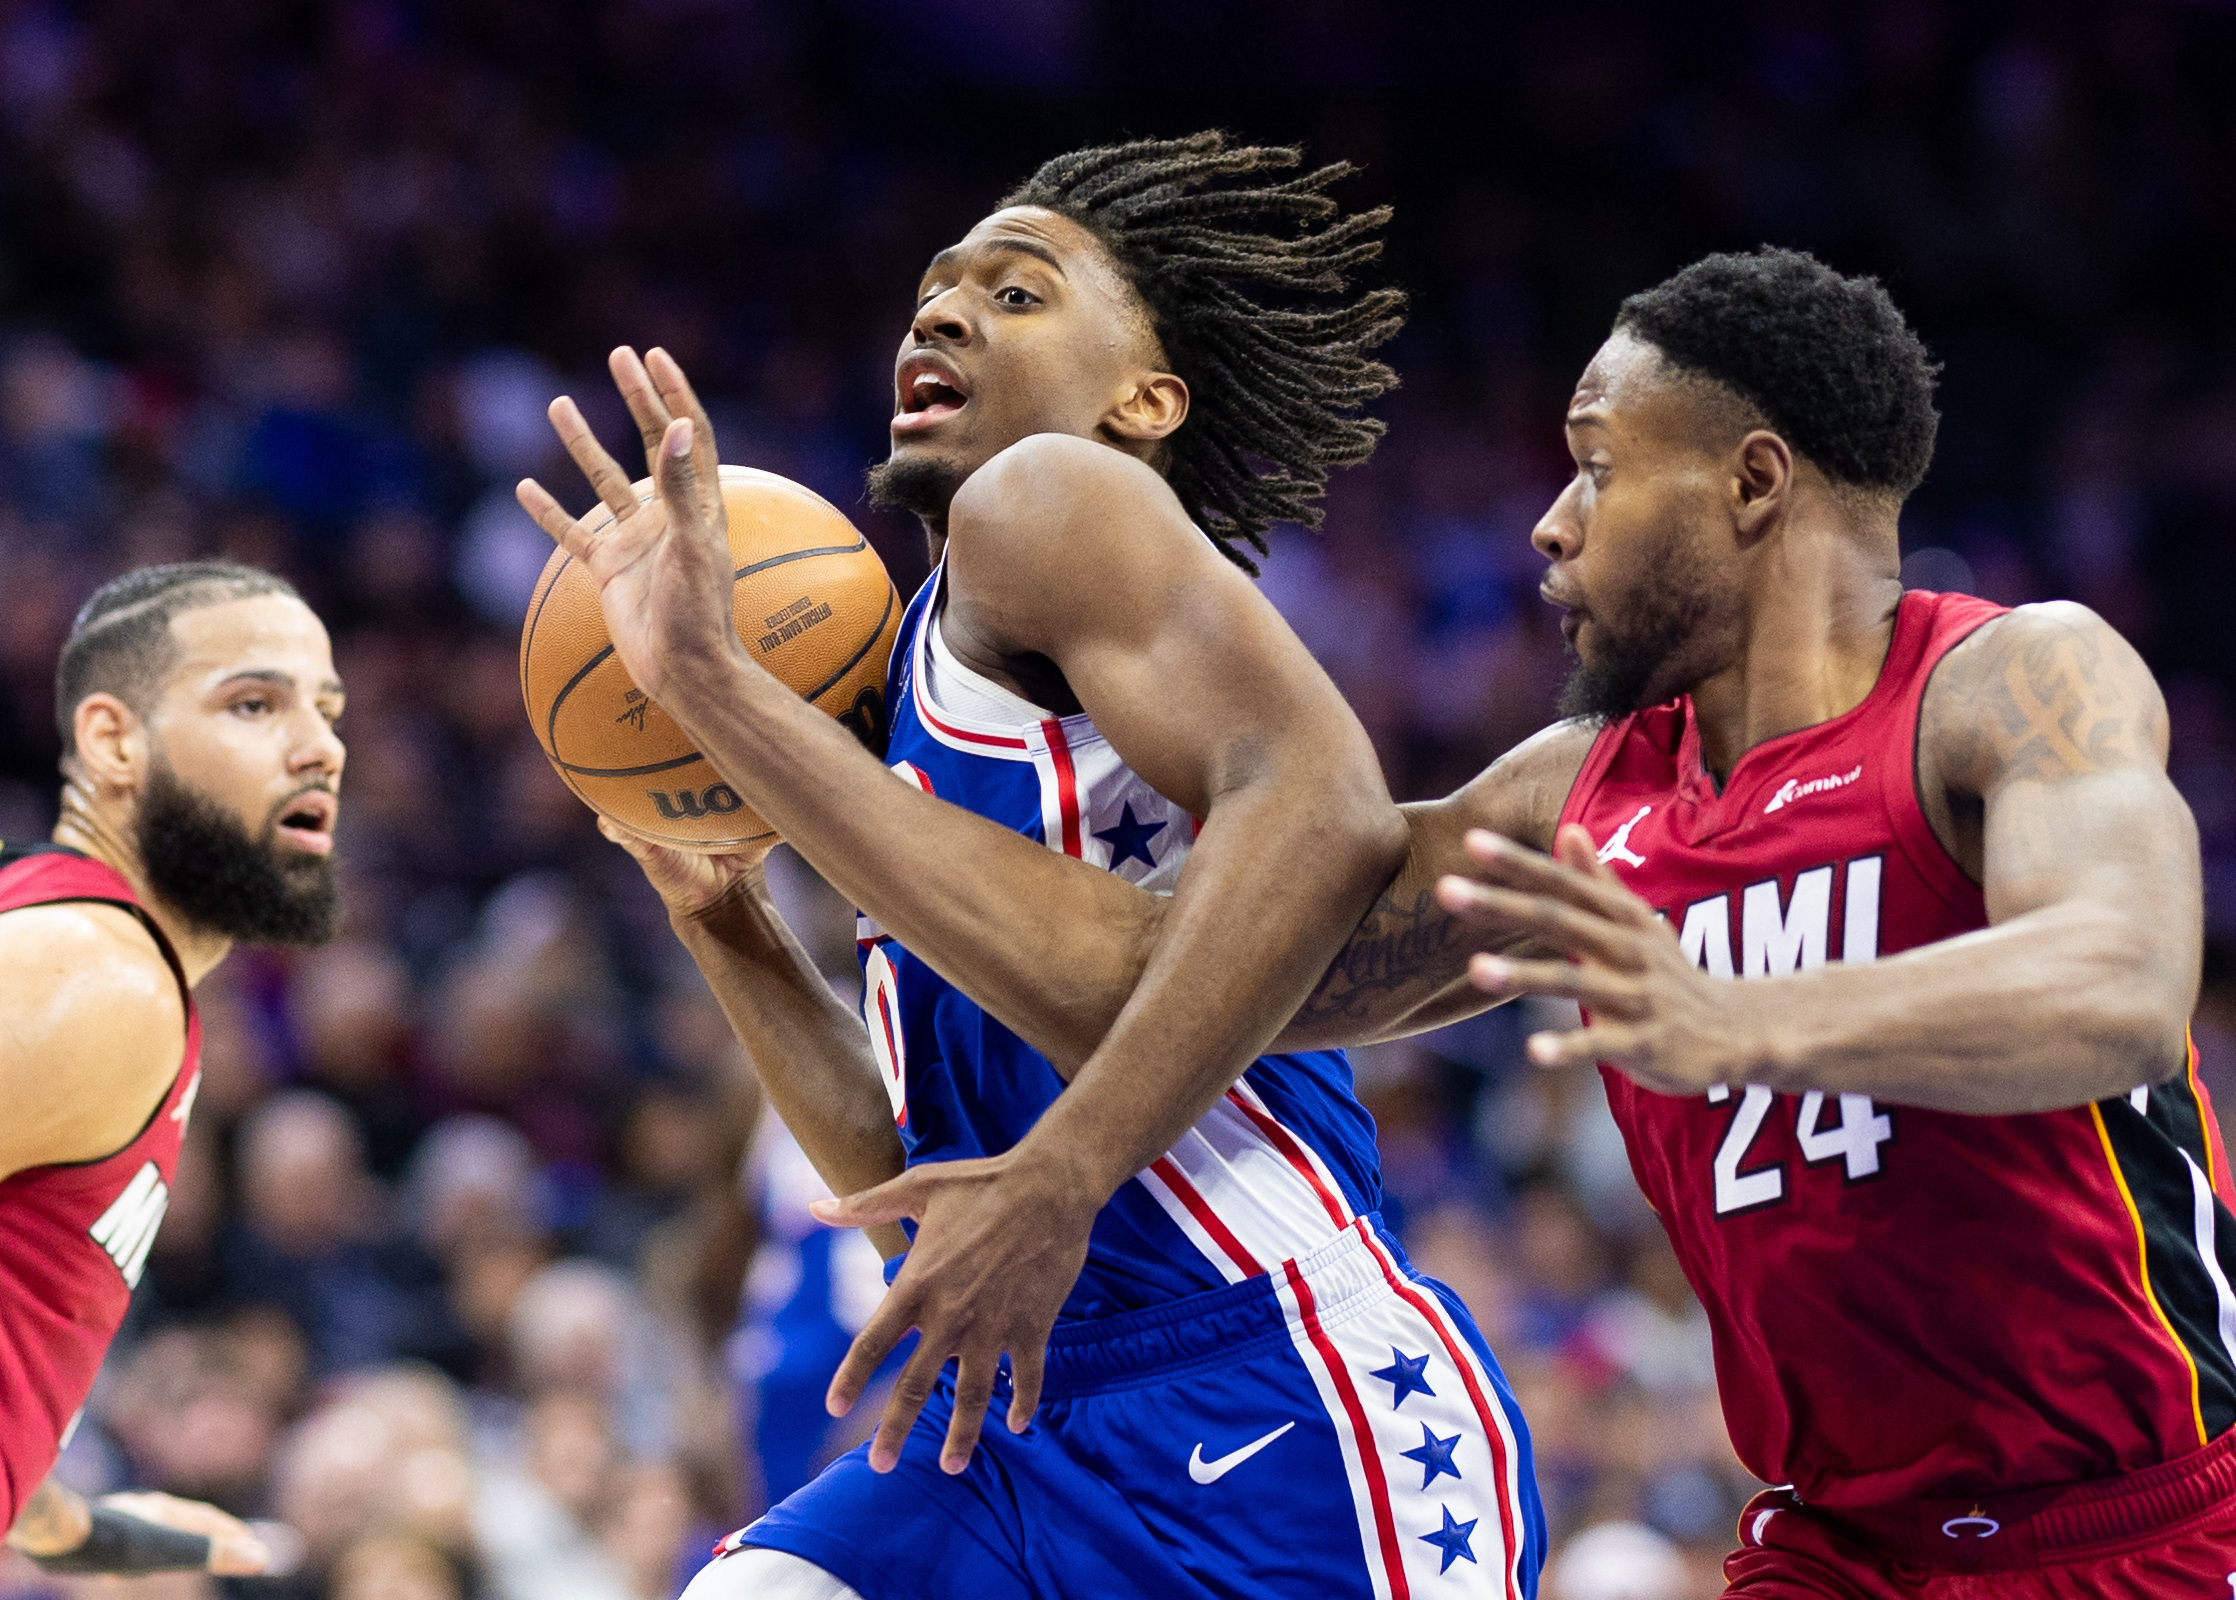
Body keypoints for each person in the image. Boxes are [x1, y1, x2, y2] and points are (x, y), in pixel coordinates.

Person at [890, 247, 2236, 1595]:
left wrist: (1744, 1022)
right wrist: (759, 749)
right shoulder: (1572, 801)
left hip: (2158, 1530)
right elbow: (1165, 984)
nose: (1548, 526)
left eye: (1596, 468)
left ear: (1750, 484)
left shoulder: (1999, 687)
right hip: (1842, 1550)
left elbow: (2121, 981)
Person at [521, 133, 1544, 1600]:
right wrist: (724, 914)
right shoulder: (905, 689)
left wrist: (709, 685)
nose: (940, 315)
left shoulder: (1047, 500)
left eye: (1017, 294)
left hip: (1260, 1386)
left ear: (1145, 400)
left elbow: (1326, 810)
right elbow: (910, 1174)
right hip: (999, 1412)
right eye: (936, 291)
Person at [2, 559, 347, 1576]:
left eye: (328, 710)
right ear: (113, 741)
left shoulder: (92, 959)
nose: (320, 745)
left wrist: (76, 1527)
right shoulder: (97, 980)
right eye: (254, 702)